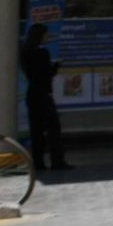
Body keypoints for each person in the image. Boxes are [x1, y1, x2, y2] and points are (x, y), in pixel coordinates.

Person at [20, 23, 71, 170]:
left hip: (32, 94)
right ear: (40, 36)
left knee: (36, 131)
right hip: (44, 94)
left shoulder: (25, 52)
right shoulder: (42, 53)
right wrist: (55, 66)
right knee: (53, 128)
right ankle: (57, 161)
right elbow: (46, 74)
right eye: (46, 34)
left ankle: (38, 163)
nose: (47, 37)